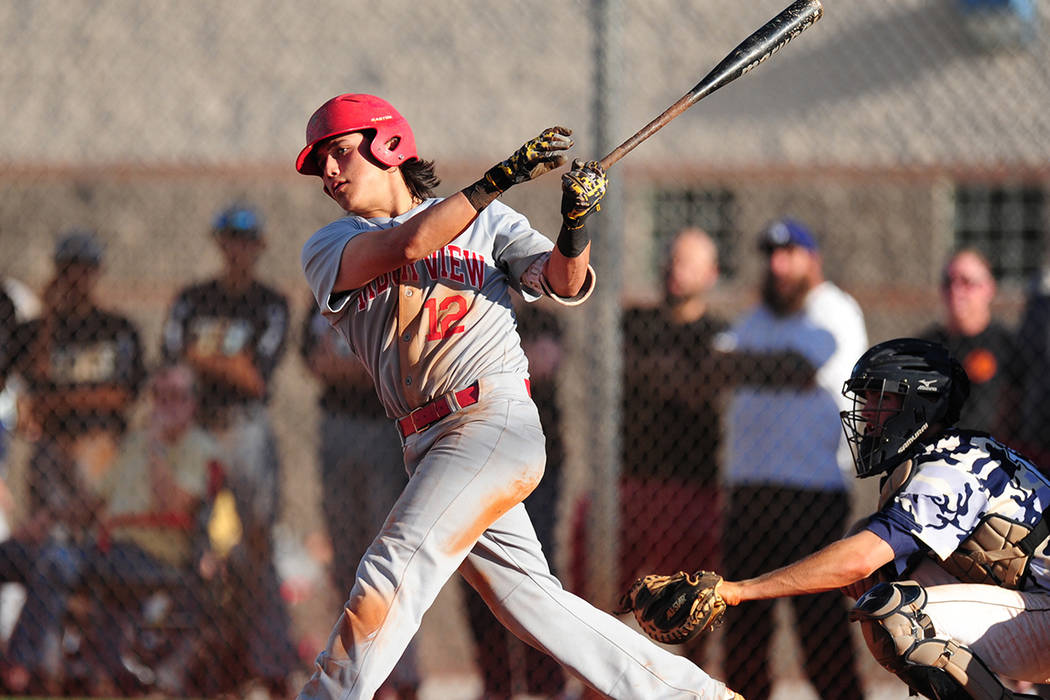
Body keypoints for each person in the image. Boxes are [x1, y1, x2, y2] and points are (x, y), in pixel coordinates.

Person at [294, 92, 742, 700]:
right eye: (320, 161)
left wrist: (575, 224)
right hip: (426, 441)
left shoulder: (489, 223)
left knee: (393, 566)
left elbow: (564, 281)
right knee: (533, 605)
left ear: (388, 146)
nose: (328, 173)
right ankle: (693, 696)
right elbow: (407, 246)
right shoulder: (329, 245)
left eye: (340, 153)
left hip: (491, 420)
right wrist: (498, 179)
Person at [624, 337, 1050, 700]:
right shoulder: (945, 456)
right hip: (1037, 610)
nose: (865, 412)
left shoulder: (950, 467)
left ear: (918, 406)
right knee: (882, 576)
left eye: (880, 399)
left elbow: (858, 560)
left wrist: (736, 591)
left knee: (896, 615)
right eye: (865, 398)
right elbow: (864, 564)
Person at [713, 218, 866, 699]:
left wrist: (757, 369)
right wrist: (770, 369)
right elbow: (717, 365)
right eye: (771, 255)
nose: (778, 265)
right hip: (750, 491)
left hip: (811, 492)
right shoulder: (759, 318)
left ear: (812, 259)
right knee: (744, 628)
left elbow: (802, 366)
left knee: (819, 629)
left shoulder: (833, 309)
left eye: (789, 254)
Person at [0, 229, 146, 692]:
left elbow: (119, 395)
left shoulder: (116, 327)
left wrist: (54, 403)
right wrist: (46, 318)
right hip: (52, 452)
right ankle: (48, 662)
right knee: (48, 548)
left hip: (100, 451)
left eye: (84, 270)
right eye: (68, 270)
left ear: (96, 274)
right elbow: (29, 379)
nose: (76, 279)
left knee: (93, 550)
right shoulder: (39, 329)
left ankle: (93, 658)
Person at [160, 205, 297, 695]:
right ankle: (197, 663)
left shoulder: (269, 302)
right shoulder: (192, 297)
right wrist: (225, 362)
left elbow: (254, 377)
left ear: (258, 246)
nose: (237, 250)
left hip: (244, 429)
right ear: (220, 245)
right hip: (197, 429)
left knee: (257, 545)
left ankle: (272, 663)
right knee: (193, 544)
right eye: (230, 240)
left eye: (246, 241)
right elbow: (170, 361)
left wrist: (201, 358)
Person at [614, 227, 728, 669]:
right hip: (631, 481)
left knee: (693, 604)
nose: (674, 269)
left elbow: (701, 389)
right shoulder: (634, 324)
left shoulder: (719, 334)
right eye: (672, 259)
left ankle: (693, 684)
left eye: (688, 262)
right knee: (604, 591)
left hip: (693, 485)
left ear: (711, 274)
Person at [300, 300, 421, 699]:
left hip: (387, 430)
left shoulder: (394, 285)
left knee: (390, 557)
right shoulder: (328, 285)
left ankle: (400, 675)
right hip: (337, 430)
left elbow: (401, 363)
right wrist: (365, 368)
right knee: (346, 558)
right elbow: (314, 360)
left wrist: (352, 368)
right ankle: (353, 670)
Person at [461, 299, 568, 699]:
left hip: (533, 464)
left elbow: (540, 364)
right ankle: (497, 685)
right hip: (474, 459)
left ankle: (545, 685)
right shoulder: (464, 311)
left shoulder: (543, 320)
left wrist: (478, 365)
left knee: (535, 575)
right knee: (480, 572)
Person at [920, 248, 1018, 437]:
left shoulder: (1008, 346)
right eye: (949, 282)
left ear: (989, 288)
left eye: (966, 282)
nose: (956, 291)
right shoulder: (924, 347)